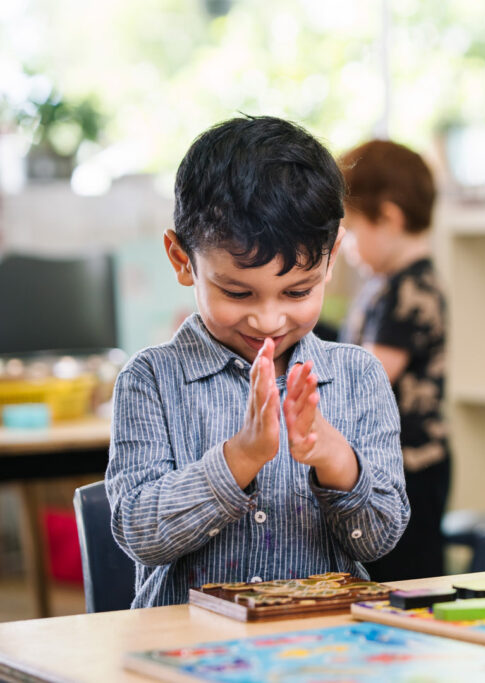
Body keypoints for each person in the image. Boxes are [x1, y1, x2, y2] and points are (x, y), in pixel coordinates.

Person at [105, 116, 409, 608]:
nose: (268, 320)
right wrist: (240, 458)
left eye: (297, 291)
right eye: (237, 292)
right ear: (182, 260)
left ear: (330, 260)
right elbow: (140, 532)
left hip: (323, 647)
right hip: (189, 651)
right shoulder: (151, 380)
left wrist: (335, 459)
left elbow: (379, 539)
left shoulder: (357, 376)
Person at [337, 139, 450, 581]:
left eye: (351, 229)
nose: (345, 246)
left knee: (406, 579)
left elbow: (371, 376)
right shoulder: (385, 284)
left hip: (410, 465)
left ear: (389, 217)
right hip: (393, 461)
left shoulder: (411, 289)